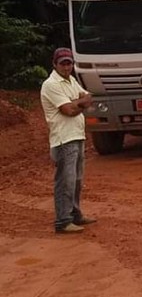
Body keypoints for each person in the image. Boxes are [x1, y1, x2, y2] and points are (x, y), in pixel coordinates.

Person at [40, 47, 97, 234]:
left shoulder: (71, 80)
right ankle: (63, 220)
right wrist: (80, 104)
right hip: (64, 138)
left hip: (76, 135)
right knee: (66, 180)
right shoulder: (51, 84)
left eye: (69, 63)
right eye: (63, 63)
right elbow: (68, 110)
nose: (67, 67)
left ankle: (74, 213)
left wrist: (76, 104)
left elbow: (88, 97)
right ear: (54, 64)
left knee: (77, 180)